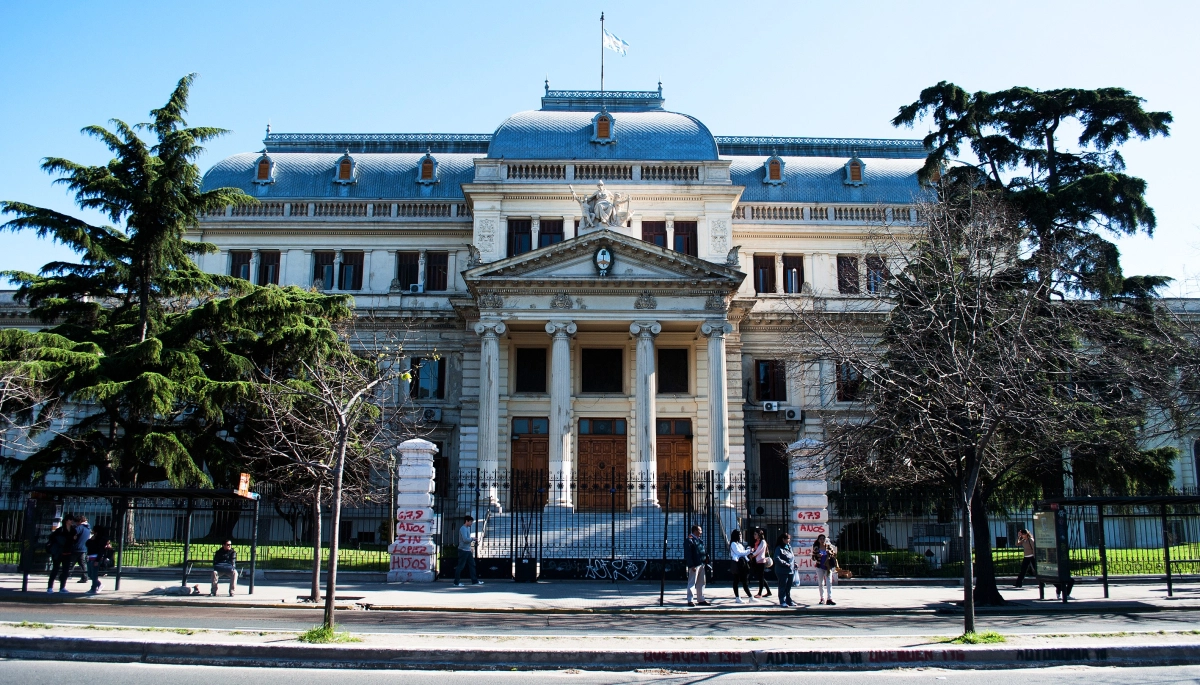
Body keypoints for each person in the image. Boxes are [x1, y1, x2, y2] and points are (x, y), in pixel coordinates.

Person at [46, 516, 75, 593]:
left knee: (65, 571)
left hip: (68, 552)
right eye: (70, 519)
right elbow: (52, 537)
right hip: (59, 552)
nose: (72, 521)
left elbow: (74, 540)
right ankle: (50, 587)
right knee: (55, 569)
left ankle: (62, 587)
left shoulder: (73, 530)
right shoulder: (60, 530)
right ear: (66, 520)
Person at [683, 524, 709, 607]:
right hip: (695, 564)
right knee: (692, 582)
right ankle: (690, 600)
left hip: (701, 563)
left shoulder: (699, 540)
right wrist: (691, 565)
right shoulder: (689, 540)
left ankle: (701, 599)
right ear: (695, 531)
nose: (701, 532)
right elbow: (688, 554)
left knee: (701, 582)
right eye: (699, 530)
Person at [454, 515, 483, 586]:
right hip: (463, 550)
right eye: (470, 522)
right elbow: (465, 539)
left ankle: (474, 581)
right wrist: (472, 539)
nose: (471, 523)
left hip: (467, 550)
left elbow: (467, 539)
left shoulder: (466, 528)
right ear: (466, 521)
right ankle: (456, 582)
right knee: (461, 566)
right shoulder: (463, 528)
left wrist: (471, 539)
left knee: (472, 565)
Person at [728, 529, 754, 603]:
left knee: (744, 580)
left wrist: (748, 560)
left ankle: (750, 597)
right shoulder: (733, 544)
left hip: (743, 563)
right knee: (737, 580)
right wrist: (748, 551)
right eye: (739, 534)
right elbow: (739, 553)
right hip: (737, 563)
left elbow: (743, 554)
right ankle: (737, 597)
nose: (740, 536)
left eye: (741, 534)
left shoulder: (739, 544)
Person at [812, 534, 837, 605]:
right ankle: (822, 598)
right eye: (821, 539)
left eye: (823, 539)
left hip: (828, 567)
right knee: (821, 583)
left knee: (829, 582)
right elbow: (813, 558)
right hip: (819, 566)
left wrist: (830, 553)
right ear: (818, 540)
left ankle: (829, 598)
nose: (822, 540)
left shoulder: (828, 547)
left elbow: (834, 554)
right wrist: (817, 555)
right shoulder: (816, 548)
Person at [772, 533, 796, 607]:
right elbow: (776, 558)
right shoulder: (779, 548)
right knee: (783, 586)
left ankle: (789, 600)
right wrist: (785, 563)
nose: (789, 540)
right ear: (783, 539)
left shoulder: (789, 547)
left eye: (789, 539)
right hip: (782, 570)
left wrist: (794, 563)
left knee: (788, 586)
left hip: (790, 570)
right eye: (787, 539)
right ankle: (782, 600)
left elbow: (792, 557)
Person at [85, 525, 111, 593]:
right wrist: (91, 540)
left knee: (94, 574)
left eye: (93, 530)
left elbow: (101, 550)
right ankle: (99, 584)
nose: (92, 531)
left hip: (95, 557)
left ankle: (94, 588)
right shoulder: (93, 538)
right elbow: (87, 544)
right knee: (90, 574)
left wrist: (97, 560)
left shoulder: (101, 539)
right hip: (90, 557)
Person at [750, 528, 772, 598]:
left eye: (755, 534)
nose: (754, 535)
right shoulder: (758, 541)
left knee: (761, 578)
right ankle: (768, 591)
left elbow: (758, 551)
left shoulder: (762, 542)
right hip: (758, 561)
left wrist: (752, 555)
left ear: (759, 535)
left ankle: (760, 593)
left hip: (761, 561)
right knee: (761, 577)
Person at [69, 515, 91, 584]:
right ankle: (85, 577)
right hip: (84, 548)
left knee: (70, 563)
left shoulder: (79, 528)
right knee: (83, 564)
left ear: (79, 521)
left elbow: (72, 534)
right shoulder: (87, 528)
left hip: (76, 548)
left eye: (76, 522)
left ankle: (66, 575)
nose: (75, 523)